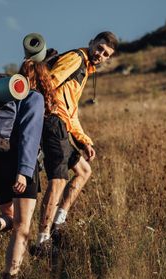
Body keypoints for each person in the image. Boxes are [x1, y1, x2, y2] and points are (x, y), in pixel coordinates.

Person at [0, 59, 58, 279]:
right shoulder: (34, 98)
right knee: (23, 228)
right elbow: (29, 138)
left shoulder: (4, 99)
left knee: (9, 217)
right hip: (19, 168)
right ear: (42, 79)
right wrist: (23, 172)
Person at [33, 31, 118, 251]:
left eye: (105, 54)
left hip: (61, 123)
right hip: (53, 121)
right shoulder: (76, 59)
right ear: (91, 43)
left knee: (84, 171)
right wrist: (48, 112)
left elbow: (72, 111)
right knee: (58, 180)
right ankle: (43, 240)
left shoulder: (85, 69)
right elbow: (49, 82)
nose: (100, 54)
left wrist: (84, 141)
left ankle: (58, 225)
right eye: (99, 48)